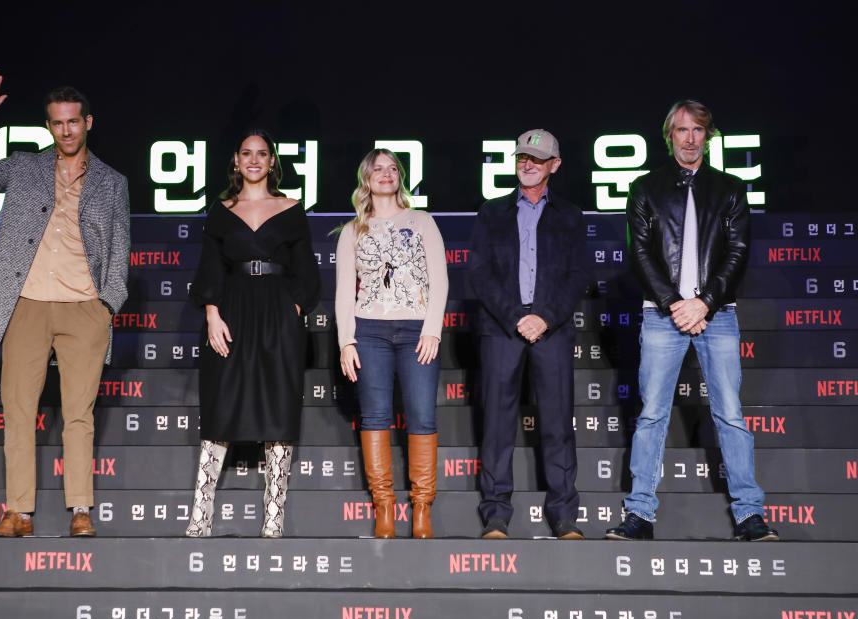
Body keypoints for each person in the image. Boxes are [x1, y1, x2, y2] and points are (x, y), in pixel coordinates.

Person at [0, 71, 130, 537]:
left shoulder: (112, 183)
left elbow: (120, 251)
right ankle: (19, 514)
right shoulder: (24, 167)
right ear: (48, 127)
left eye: (73, 122)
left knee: (78, 414)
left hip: (83, 308)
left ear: (88, 122)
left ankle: (80, 511)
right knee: (17, 409)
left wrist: (105, 305)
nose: (66, 131)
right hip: (25, 304)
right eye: (57, 123)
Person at [606, 99, 778, 542]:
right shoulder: (645, 187)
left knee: (731, 414)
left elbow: (738, 254)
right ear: (669, 136)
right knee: (651, 416)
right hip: (662, 315)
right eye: (681, 130)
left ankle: (749, 515)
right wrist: (673, 303)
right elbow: (640, 254)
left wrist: (703, 303)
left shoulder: (731, 188)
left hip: (717, 315)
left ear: (708, 135)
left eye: (698, 130)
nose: (689, 138)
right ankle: (639, 514)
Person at [186, 129, 320, 538]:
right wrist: (212, 314)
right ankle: (200, 516)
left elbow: (306, 272)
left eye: (263, 154)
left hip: (278, 312)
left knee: (279, 408)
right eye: (248, 153)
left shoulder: (293, 208)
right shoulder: (221, 210)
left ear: (273, 162)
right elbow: (210, 268)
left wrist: (293, 307)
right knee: (220, 406)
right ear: (236, 160)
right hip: (232, 312)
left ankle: (273, 517)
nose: (255, 160)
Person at [469, 129, 588, 540]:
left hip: (550, 329)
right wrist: (516, 317)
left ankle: (564, 516)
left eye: (537, 159)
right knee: (498, 425)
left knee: (557, 423)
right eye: (522, 156)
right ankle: (497, 514)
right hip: (502, 329)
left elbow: (577, 277)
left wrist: (544, 318)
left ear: (554, 165)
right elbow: (479, 274)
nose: (527, 164)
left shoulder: (570, 216)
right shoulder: (491, 212)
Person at [335, 149, 448, 538]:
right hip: (369, 332)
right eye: (378, 169)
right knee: (376, 417)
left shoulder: (422, 221)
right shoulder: (353, 229)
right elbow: (343, 292)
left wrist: (432, 329)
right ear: (366, 179)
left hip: (417, 331)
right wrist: (346, 340)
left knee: (422, 416)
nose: (386, 174)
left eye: (392, 168)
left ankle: (421, 509)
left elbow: (440, 279)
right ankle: (384, 508)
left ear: (400, 177)